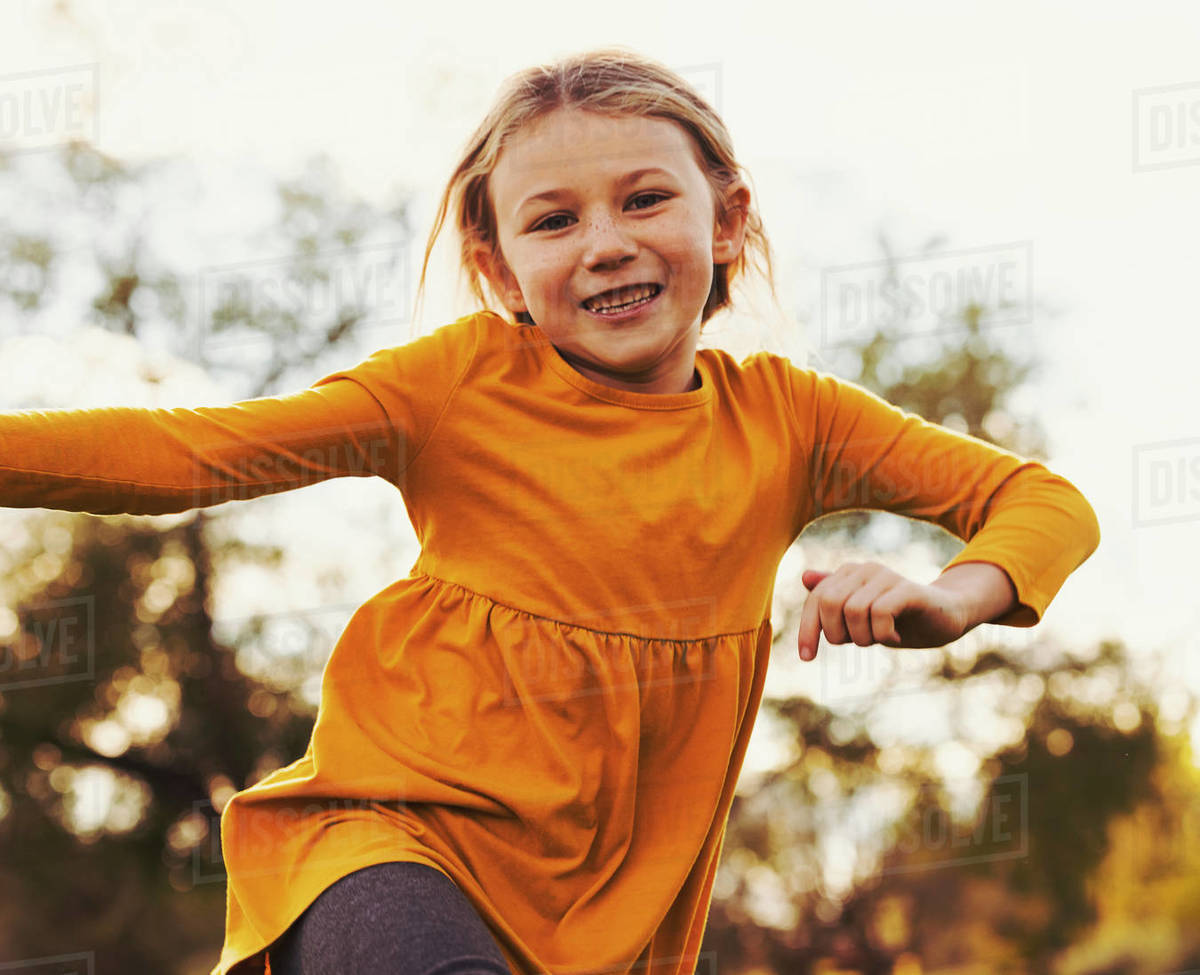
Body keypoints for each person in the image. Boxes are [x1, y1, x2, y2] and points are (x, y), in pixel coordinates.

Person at [0, 47, 1100, 975]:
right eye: (554, 220)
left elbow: (1041, 499)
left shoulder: (790, 422)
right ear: (498, 267)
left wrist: (951, 600)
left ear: (727, 219)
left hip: (605, 922)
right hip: (382, 844)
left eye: (645, 198)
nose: (604, 242)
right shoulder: (457, 386)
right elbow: (193, 448)